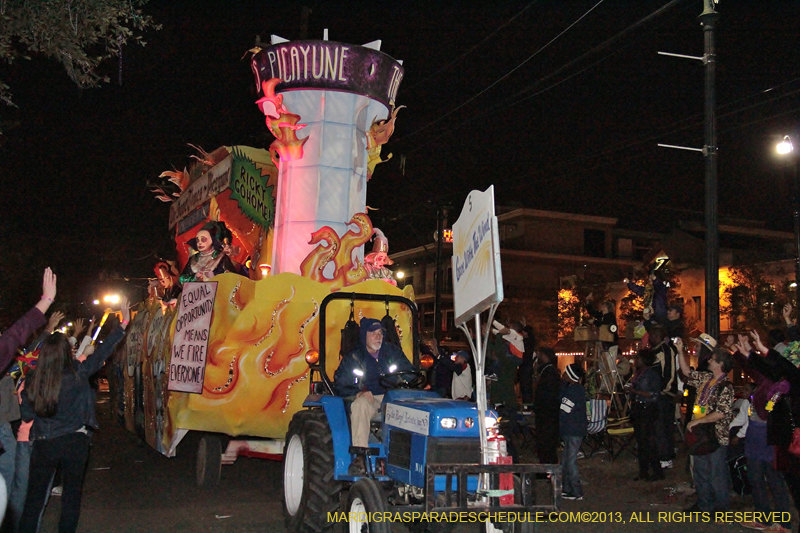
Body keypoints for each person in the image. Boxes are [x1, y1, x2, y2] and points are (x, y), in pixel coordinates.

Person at [18, 297, 130, 533]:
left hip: (44, 443)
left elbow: (27, 414)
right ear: (65, 354)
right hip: (74, 442)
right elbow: (101, 354)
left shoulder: (32, 379)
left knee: (35, 497)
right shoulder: (77, 373)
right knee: (71, 495)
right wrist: (122, 325)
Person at [333, 318, 415, 475]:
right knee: (359, 405)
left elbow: (408, 372)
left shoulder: (393, 353)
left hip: (393, 397)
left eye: (380, 333)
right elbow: (341, 384)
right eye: (373, 333)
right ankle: (361, 455)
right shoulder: (354, 358)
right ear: (364, 335)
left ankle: (409, 457)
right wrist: (358, 393)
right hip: (369, 400)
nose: (378, 337)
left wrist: (408, 382)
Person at [676, 337, 734, 514]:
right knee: (701, 471)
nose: (708, 360)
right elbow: (687, 372)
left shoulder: (725, 386)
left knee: (717, 474)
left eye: (712, 359)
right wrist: (680, 351)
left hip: (715, 434)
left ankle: (721, 507)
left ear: (720, 364)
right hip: (701, 432)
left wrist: (698, 421)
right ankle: (704, 504)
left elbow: (721, 412)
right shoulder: (706, 378)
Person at [626, 350, 664, 482]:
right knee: (641, 442)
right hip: (639, 408)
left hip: (647, 409)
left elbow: (653, 394)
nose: (636, 361)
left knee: (648, 442)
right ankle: (644, 471)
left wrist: (635, 391)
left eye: (638, 358)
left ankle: (656, 471)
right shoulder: (638, 373)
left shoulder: (651, 375)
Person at [559, 363, 587, 500]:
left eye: (565, 373)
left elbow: (564, 411)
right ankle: (567, 489)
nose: (563, 375)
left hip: (572, 430)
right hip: (573, 429)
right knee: (565, 461)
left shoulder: (573, 391)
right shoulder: (576, 389)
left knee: (570, 462)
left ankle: (576, 491)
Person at [533, 347, 560, 464]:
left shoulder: (549, 373)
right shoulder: (546, 371)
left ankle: (549, 469)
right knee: (545, 444)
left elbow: (546, 395)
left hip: (547, 415)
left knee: (546, 444)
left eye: (540, 354)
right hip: (546, 414)